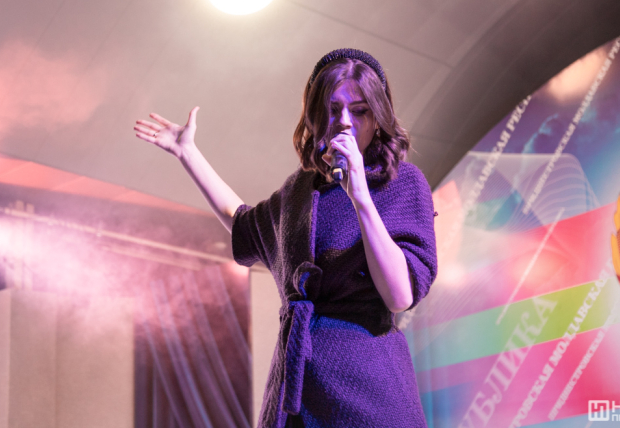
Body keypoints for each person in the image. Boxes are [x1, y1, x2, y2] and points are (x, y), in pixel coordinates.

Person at [134, 48, 437, 428]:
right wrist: (187, 153)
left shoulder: (401, 183)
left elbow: (399, 296)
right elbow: (243, 224)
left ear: (378, 117)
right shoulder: (299, 192)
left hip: (368, 385)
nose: (345, 122)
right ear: (314, 116)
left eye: (360, 110)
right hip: (298, 388)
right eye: (332, 109)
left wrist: (360, 194)